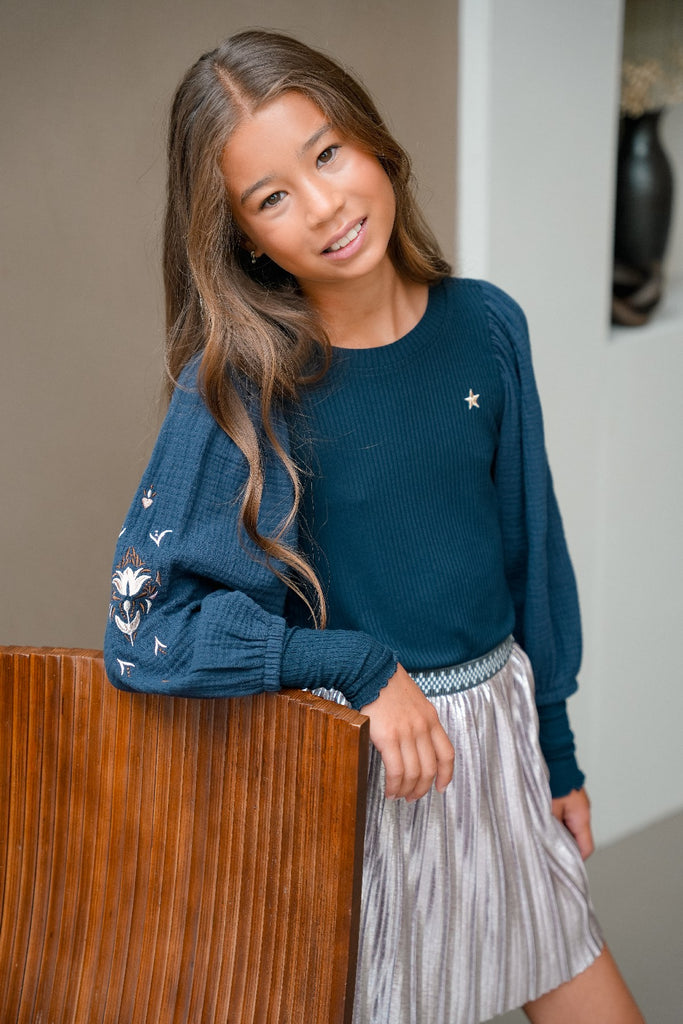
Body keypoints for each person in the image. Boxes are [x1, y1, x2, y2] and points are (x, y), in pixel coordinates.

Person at [104, 29, 645, 1024]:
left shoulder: (487, 325)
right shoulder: (240, 388)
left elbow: (529, 555)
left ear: (374, 142)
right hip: (364, 775)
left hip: (500, 752)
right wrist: (355, 665)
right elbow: (142, 630)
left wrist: (558, 756)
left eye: (326, 153)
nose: (322, 206)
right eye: (271, 196)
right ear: (242, 237)